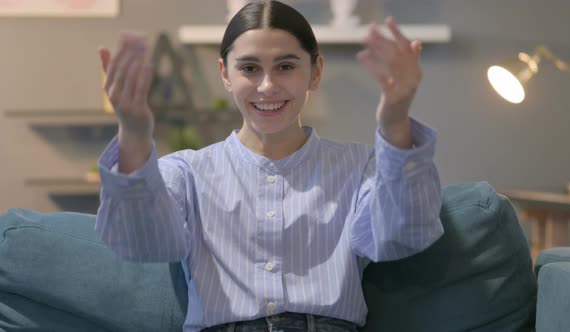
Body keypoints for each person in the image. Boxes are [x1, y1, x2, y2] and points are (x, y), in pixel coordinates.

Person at [96, 1, 443, 331]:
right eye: (249, 68)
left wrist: (396, 123)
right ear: (225, 74)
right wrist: (134, 134)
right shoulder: (186, 171)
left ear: (315, 71)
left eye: (286, 67)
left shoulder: (361, 166)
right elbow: (141, 242)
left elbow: (401, 236)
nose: (267, 86)